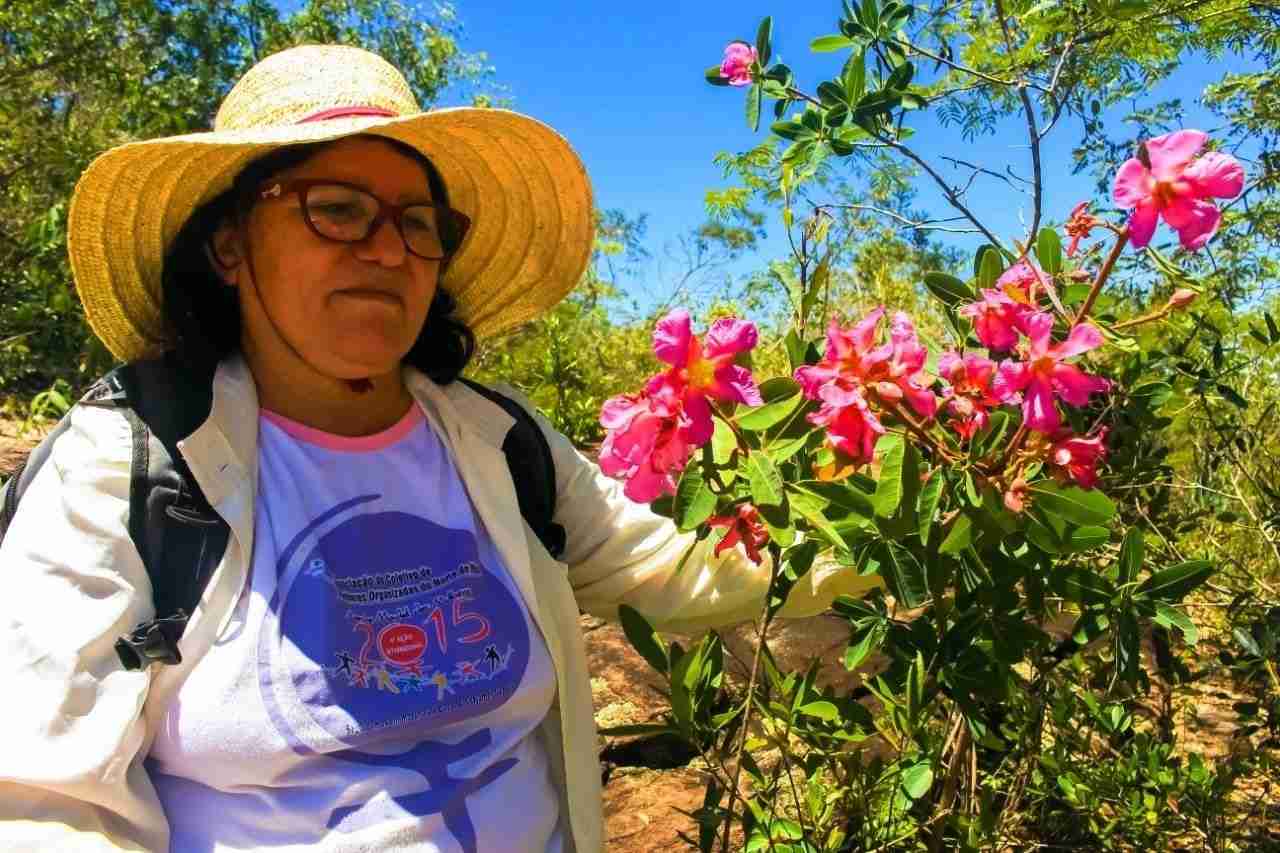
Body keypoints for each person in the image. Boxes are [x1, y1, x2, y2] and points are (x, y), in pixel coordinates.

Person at [0, 44, 878, 853]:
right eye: (337, 209)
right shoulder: (125, 468)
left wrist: (899, 518)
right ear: (230, 243)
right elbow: (48, 804)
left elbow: (682, 568)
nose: (389, 248)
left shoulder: (498, 441)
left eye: (419, 222)